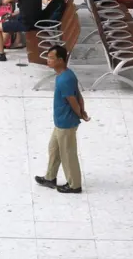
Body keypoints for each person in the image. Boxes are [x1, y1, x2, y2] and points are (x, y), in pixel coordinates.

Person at [35, 45, 89, 194]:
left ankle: (74, 185)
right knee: (54, 149)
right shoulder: (67, 75)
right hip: (60, 121)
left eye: (51, 58)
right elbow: (78, 94)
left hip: (66, 123)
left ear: (60, 60)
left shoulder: (64, 79)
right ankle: (50, 177)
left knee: (67, 153)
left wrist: (80, 114)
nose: (48, 60)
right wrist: (82, 110)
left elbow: (72, 100)